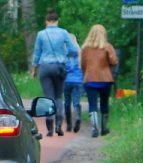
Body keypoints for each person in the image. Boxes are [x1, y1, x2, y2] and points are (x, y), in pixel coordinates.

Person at [30, 9, 77, 137]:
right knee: (58, 97)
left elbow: (37, 52)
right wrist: (65, 57)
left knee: (48, 98)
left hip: (45, 67)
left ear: (46, 21)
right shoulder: (64, 33)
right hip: (59, 68)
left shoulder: (41, 34)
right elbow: (73, 49)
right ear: (57, 21)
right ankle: (58, 125)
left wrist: (34, 69)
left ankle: (49, 128)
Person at [80, 23, 120, 137]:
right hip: (105, 79)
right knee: (104, 103)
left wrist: (86, 72)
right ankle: (104, 128)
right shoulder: (107, 47)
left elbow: (82, 64)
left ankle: (94, 128)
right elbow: (114, 61)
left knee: (92, 104)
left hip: (90, 79)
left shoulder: (85, 48)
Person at [63, 33, 84, 133]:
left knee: (67, 103)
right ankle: (77, 118)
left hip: (67, 81)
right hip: (78, 81)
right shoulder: (81, 54)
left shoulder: (64, 54)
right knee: (76, 102)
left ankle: (68, 125)